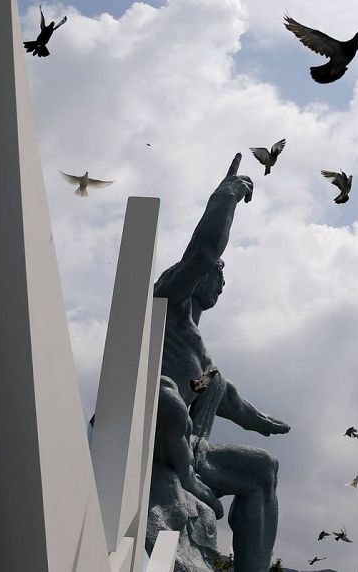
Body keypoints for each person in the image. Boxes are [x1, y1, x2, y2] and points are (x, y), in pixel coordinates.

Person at [150, 153, 289, 571]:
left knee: (263, 469)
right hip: (149, 427)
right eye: (219, 278)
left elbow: (225, 396)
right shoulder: (167, 300)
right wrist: (226, 198)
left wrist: (265, 423)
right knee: (169, 401)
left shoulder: (198, 348)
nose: (222, 287)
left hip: (189, 447)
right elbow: (204, 253)